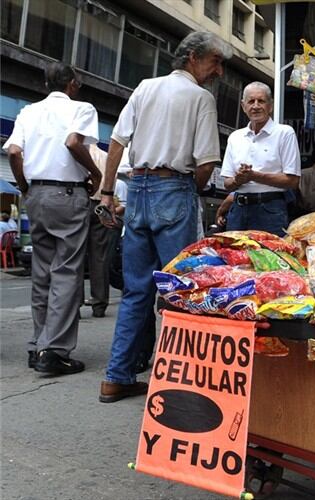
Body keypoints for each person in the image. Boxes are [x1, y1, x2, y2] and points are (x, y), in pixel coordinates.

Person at [96, 31, 231, 403]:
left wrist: (107, 193)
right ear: (192, 58)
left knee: (137, 291)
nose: (219, 70)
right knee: (182, 289)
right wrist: (192, 188)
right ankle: (180, 381)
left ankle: (116, 376)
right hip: (174, 188)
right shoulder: (201, 98)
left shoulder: (145, 87)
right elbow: (205, 165)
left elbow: (117, 141)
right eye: (215, 61)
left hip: (137, 190)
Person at [2, 62, 102, 375]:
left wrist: (23, 186)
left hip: (37, 195)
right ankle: (54, 351)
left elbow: (15, 152)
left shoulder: (28, 112)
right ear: (72, 84)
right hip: (68, 194)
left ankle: (37, 344)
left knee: (42, 273)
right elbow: (73, 142)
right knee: (67, 273)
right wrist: (96, 173)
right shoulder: (82, 108)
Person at [221, 81, 300, 236]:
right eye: (251, 101)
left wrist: (254, 176)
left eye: (261, 101)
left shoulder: (284, 133)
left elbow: (293, 181)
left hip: (270, 209)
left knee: (269, 258)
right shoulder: (235, 137)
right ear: (243, 106)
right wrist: (239, 180)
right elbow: (226, 184)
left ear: (270, 106)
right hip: (238, 209)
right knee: (236, 258)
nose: (256, 106)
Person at [84, 144, 115, 318]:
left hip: (82, 202)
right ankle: (99, 304)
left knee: (76, 256)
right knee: (99, 257)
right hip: (102, 205)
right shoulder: (106, 157)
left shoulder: (81, 154)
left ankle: (75, 303)